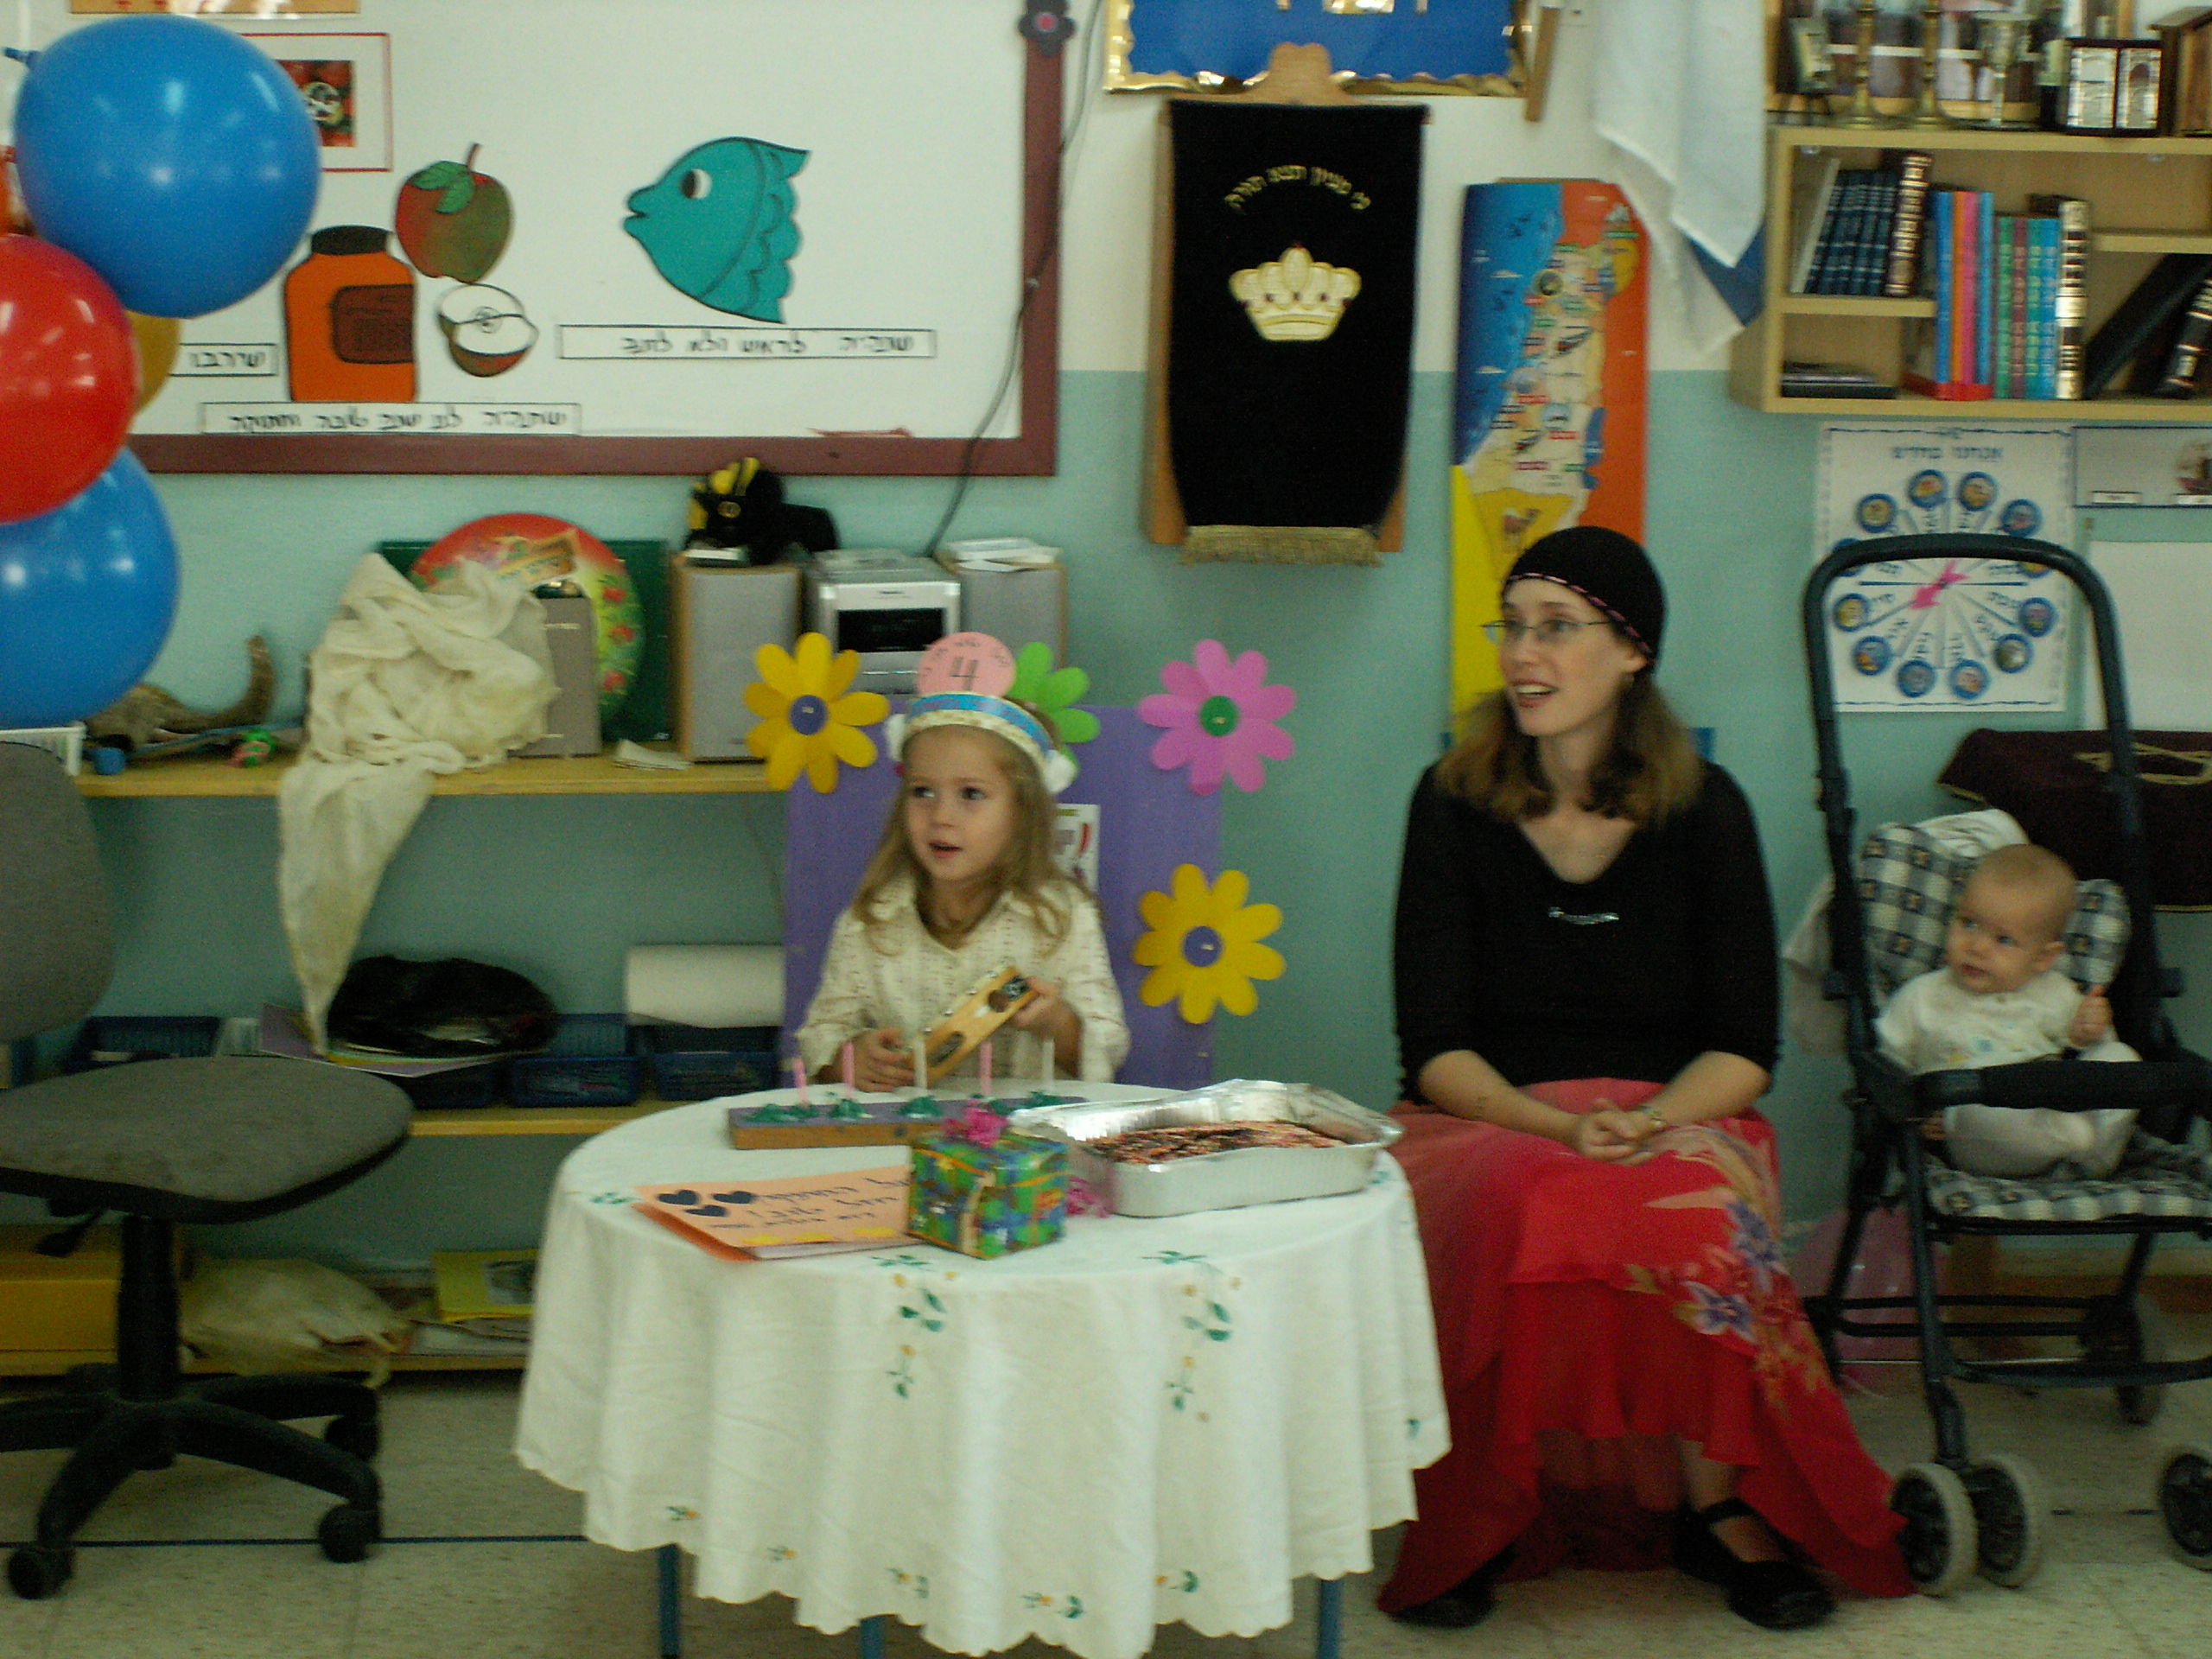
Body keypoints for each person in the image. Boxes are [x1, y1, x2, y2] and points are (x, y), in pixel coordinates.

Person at [1382, 526, 1910, 1632]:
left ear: (1632, 653)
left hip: (1675, 1115)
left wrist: (1651, 1120)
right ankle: (1489, 1503)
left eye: (1555, 627)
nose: (1522, 652)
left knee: (1697, 1215)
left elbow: (1744, 1047)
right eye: (1512, 626)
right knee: (1528, 1203)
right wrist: (1554, 1129)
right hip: (1488, 1121)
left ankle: (1716, 1507)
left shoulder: (1705, 807)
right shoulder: (1449, 799)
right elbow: (1431, 1046)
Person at [796, 689, 1128, 1089]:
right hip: (905, 1125)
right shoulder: (869, 923)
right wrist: (849, 1058)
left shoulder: (1065, 921)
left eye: (971, 794)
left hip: (1029, 1127)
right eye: (923, 792)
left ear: (1022, 813)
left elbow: (1110, 1048)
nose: (941, 816)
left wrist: (1058, 1024)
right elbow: (820, 1035)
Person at [1878, 842, 2138, 1179]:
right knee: (1981, 1110)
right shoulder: (1923, 997)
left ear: (2043, 957)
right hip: (1976, 1131)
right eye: (1968, 923)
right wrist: (1915, 1113)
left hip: (2052, 1105)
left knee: (2123, 1059)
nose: (1976, 946)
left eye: (2003, 940)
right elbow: (1886, 1067)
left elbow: (2090, 1057)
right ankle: (2082, 1144)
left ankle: (2086, 1159)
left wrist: (2089, 1032)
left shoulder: (2056, 992)